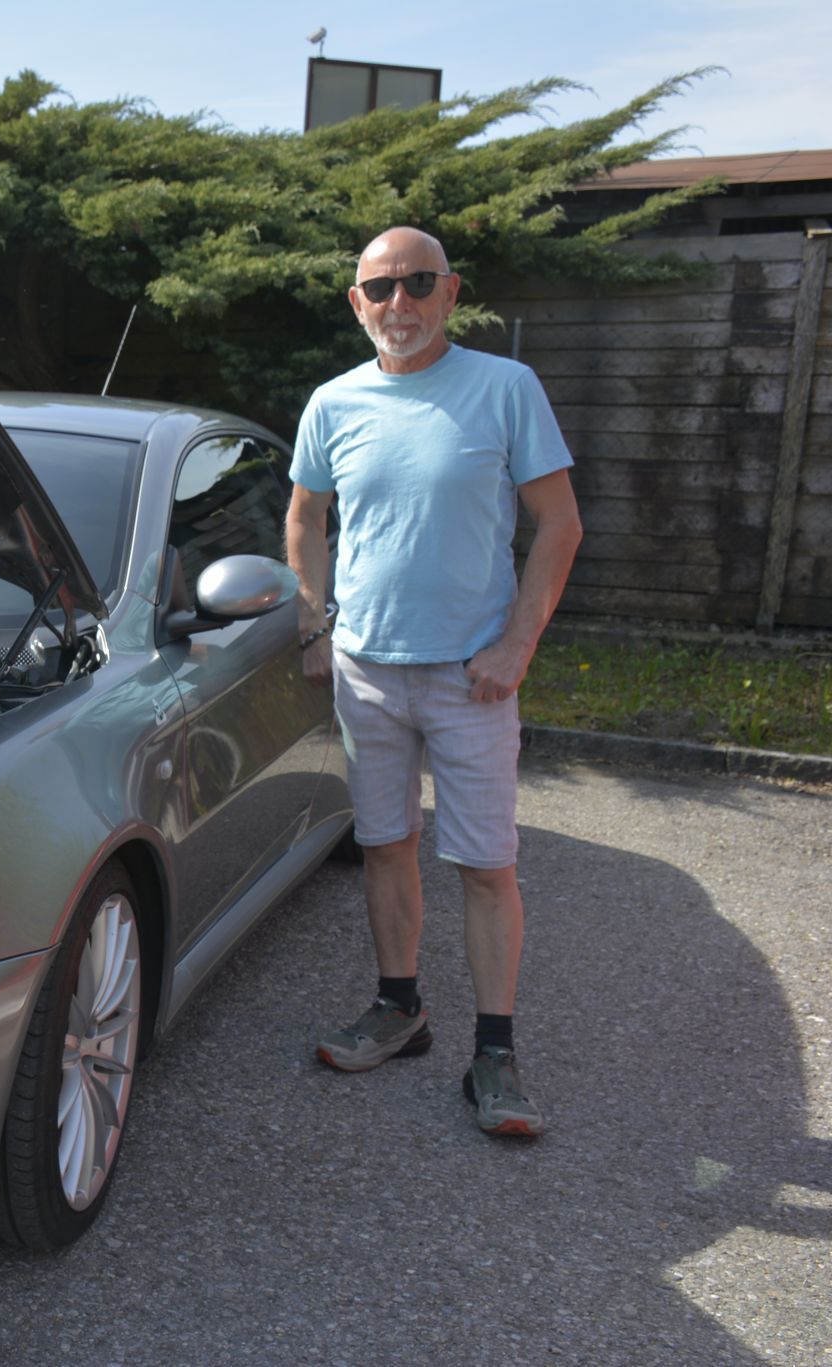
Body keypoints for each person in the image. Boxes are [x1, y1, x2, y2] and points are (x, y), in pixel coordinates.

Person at [285, 226, 583, 1137]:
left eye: (419, 285)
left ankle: (494, 1053)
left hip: (472, 680)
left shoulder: (505, 388)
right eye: (381, 289)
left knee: (488, 864)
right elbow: (304, 519)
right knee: (385, 844)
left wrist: (517, 644)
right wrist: (315, 621)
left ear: (452, 292)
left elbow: (560, 526)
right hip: (369, 672)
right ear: (357, 303)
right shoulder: (333, 403)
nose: (399, 305)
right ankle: (400, 1008)